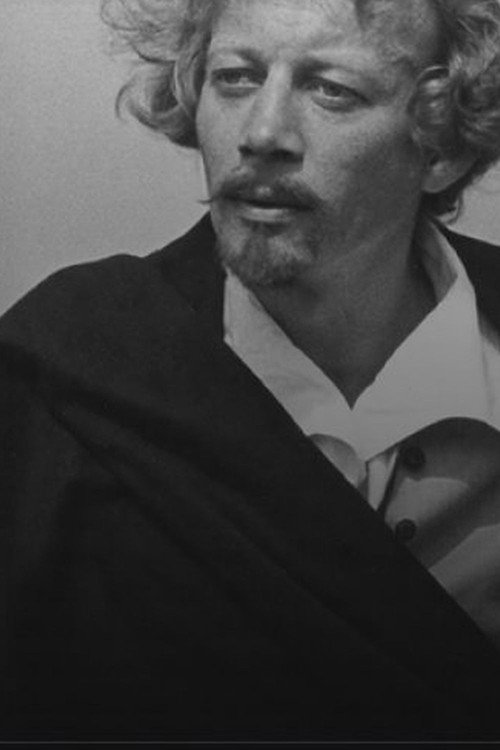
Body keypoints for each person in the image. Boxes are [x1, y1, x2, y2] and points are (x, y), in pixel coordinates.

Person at [3, 0, 500, 742]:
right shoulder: (67, 367)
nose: (261, 133)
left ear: (442, 150)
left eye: (331, 89)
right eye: (235, 78)